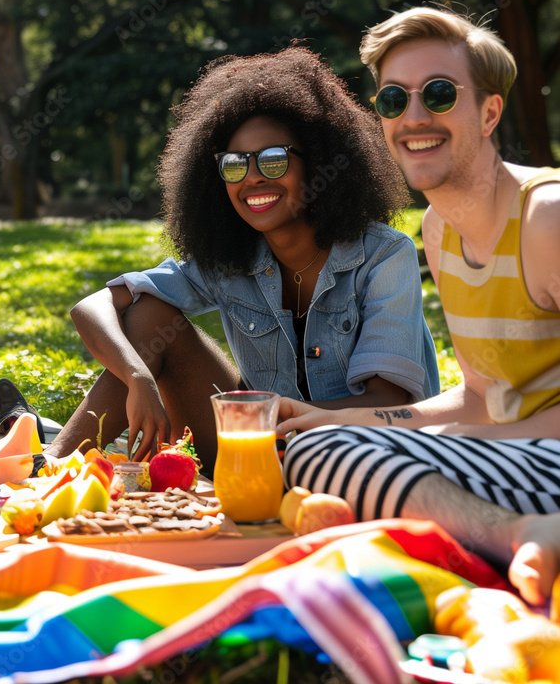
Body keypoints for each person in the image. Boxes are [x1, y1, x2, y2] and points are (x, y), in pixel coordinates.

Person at [48, 48, 439, 468]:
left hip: (360, 455)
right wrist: (137, 376)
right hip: (254, 449)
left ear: (320, 164)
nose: (252, 177)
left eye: (273, 160)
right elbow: (94, 306)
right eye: (234, 165)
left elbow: (388, 402)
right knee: (150, 315)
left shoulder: (383, 256)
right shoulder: (232, 259)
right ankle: (49, 468)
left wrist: (275, 421)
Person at [280, 6, 560, 535]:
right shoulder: (439, 229)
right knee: (313, 447)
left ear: (489, 114)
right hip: (518, 460)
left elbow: (480, 424)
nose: (413, 119)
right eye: (393, 100)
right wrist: (341, 418)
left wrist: (448, 441)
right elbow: (480, 397)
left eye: (439, 94)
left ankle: (518, 537)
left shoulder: (546, 219)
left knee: (337, 461)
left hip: (545, 461)